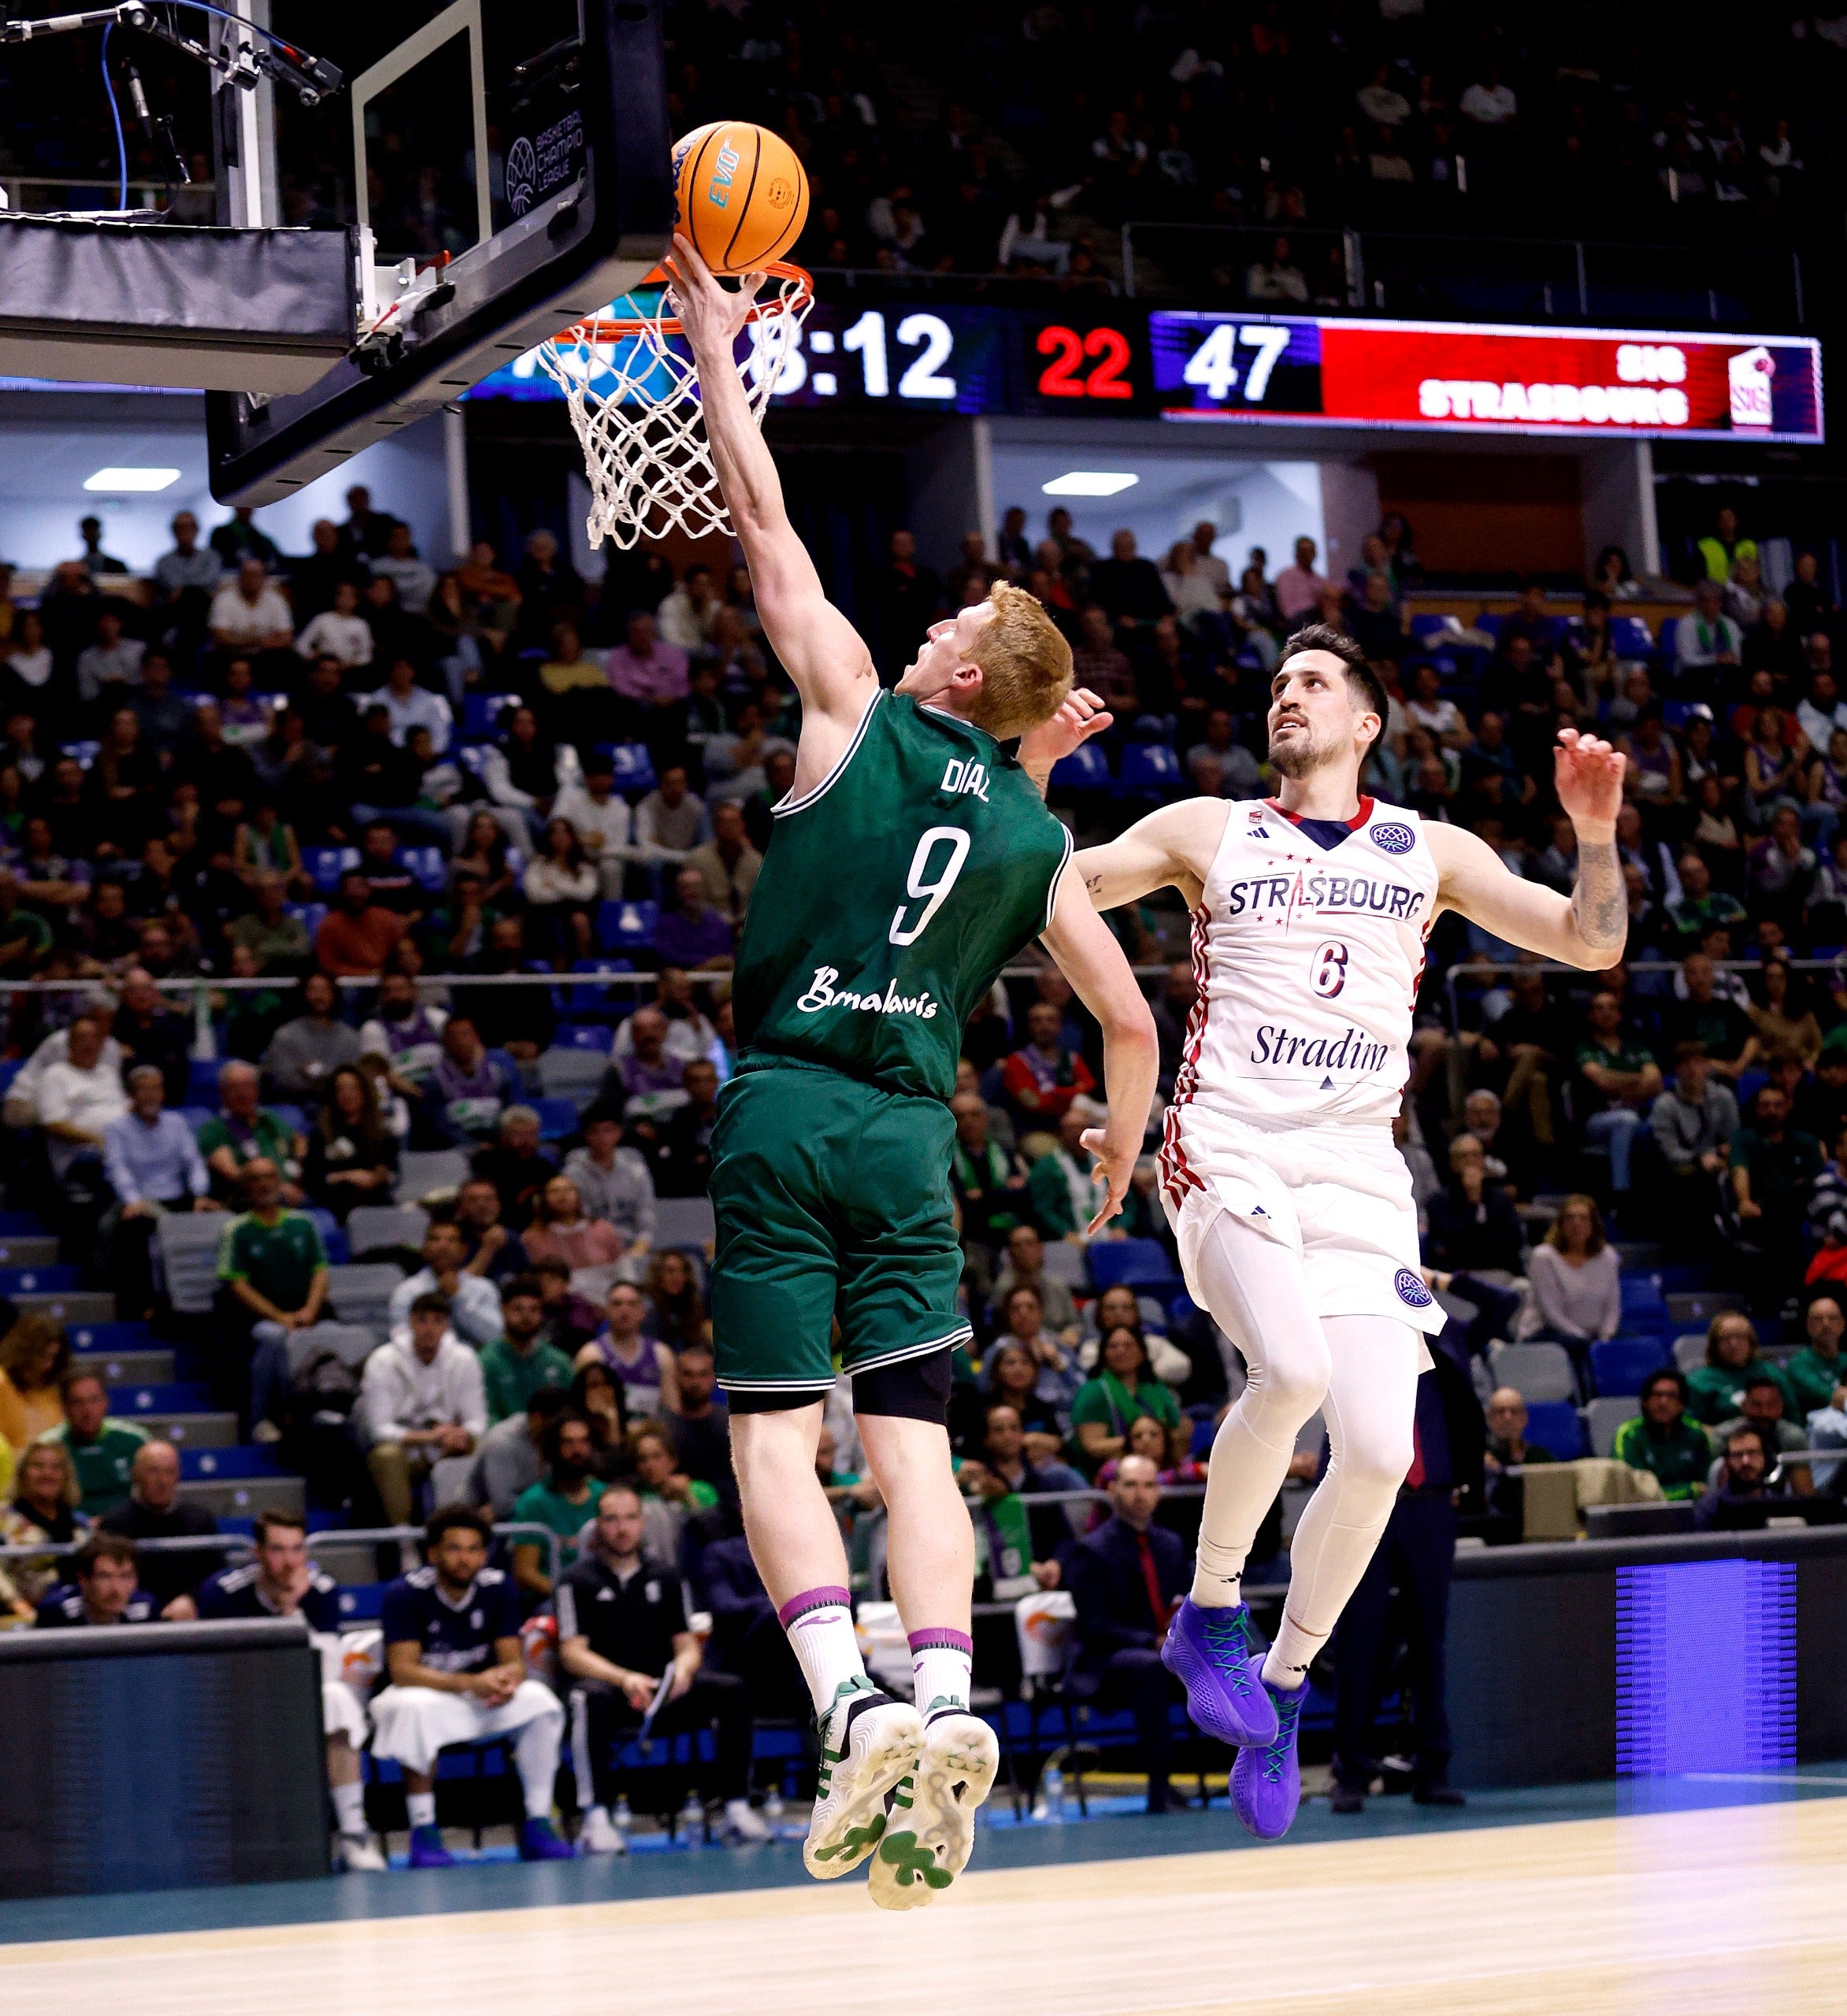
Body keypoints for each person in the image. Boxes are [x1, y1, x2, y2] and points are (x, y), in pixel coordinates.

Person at [663, 232, 1158, 1905]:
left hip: (788, 1102)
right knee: (919, 1456)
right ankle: (948, 1690)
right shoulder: (1035, 835)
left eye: (952, 618)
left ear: (946, 672)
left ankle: (848, 1701)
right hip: (909, 1135)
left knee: (769, 1448)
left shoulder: (855, 705)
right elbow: (1128, 1018)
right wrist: (1111, 1143)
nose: (934, 618)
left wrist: (716, 350)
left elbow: (759, 515)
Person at [1066, 620, 1628, 1840]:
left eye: (1312, 682)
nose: (1287, 695)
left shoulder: (1426, 852)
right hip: (1227, 1143)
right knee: (1295, 1370)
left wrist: (1593, 832)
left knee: (1379, 1452)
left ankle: (1281, 1681)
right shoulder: (1207, 830)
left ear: (1366, 722)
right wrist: (1037, 775)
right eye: (1276, 682)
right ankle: (1208, 1610)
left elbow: (1593, 944)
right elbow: (1060, 887)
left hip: (1359, 1175)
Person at [170, 1507, 385, 1868]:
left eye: (297, 1550)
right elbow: (212, 1669)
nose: (289, 1562)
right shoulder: (223, 1593)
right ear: (257, 1553)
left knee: (337, 1698)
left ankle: (353, 1835)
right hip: (238, 1702)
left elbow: (328, 1672)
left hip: (299, 1702)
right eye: (277, 1550)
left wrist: (289, 1611)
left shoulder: (320, 1592)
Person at [559, 1482, 770, 1851]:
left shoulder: (667, 1576)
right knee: (586, 1699)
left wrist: (683, 1672)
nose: (622, 1528)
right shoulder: (576, 1581)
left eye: (629, 1518)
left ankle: (736, 1806)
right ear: (597, 1526)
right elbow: (572, 1652)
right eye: (611, 1520)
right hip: (612, 1691)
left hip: (662, 1690)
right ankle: (596, 1817)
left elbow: (687, 1645)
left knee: (731, 1690)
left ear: (642, 1523)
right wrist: (623, 1678)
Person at [369, 1504, 572, 1866]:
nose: (465, 1559)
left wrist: (508, 1681)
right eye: (454, 1548)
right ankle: (424, 1833)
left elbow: (514, 1660)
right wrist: (470, 1682)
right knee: (414, 1707)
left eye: (474, 1549)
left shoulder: (498, 1588)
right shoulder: (404, 1593)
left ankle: (539, 1822)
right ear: (432, 1554)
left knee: (539, 1700)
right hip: (423, 1696)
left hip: (480, 1698)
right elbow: (402, 1670)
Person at [1328, 1347, 1482, 1813]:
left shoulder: (1439, 1344)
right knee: (1360, 1641)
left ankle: (1432, 1770)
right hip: (1365, 1502)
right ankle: (1350, 1773)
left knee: (1429, 1643)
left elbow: (1499, 1310)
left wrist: (1439, 1291)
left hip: (1430, 1506)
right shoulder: (1354, 1345)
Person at [1064, 1455, 1191, 1812]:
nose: (1140, 1494)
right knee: (1149, 1666)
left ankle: (1254, 1774)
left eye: (1149, 1485)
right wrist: (1151, 1641)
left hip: (1165, 1653)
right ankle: (1159, 1787)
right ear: (1111, 1490)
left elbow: (1186, 1602)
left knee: (1231, 1656)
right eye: (1131, 1485)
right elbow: (1094, 1626)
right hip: (1106, 1663)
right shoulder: (1090, 1550)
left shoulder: (1172, 1545)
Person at [213, 1158, 330, 1436]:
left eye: (269, 1177)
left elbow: (320, 1272)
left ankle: (324, 1415)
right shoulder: (237, 1230)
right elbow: (237, 1285)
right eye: (255, 1179)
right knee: (273, 1337)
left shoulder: (304, 1223)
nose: (264, 1184)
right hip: (255, 1317)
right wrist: (280, 1317)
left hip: (304, 1310)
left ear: (279, 1183)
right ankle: (261, 1418)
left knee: (336, 1333)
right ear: (245, 1188)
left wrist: (310, 1311)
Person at [360, 1293, 488, 1540]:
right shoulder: (382, 1361)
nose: (429, 1329)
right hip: (407, 1450)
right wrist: (429, 1437)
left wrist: (463, 1434)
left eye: (438, 1321)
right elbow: (378, 1429)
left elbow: (478, 1421)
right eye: (422, 1320)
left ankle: (470, 1537)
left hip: (447, 1444)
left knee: (483, 1446)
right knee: (386, 1455)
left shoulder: (464, 1359)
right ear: (410, 1323)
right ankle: (404, 1542)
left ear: (447, 1326)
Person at [95, 1440, 222, 1608]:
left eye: (169, 1472)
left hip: (189, 1616)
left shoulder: (200, 1520)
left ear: (178, 1475)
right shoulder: (114, 1523)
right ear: (135, 1475)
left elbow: (216, 1576)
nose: (162, 1481)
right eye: (153, 1471)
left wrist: (192, 1600)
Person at [510, 1410, 599, 1598]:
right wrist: (570, 1597)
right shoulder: (533, 1502)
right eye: (568, 1442)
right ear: (553, 1449)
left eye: (584, 1441)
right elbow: (526, 1573)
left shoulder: (605, 1497)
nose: (577, 1450)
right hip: (551, 1599)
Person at [1070, 1325, 1181, 1475]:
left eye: (1128, 1345)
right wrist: (1139, 1442)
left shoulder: (1155, 1387)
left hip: (1159, 1470)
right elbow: (1092, 1446)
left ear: (1142, 1352)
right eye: (1113, 1346)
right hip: (1106, 1473)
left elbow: (1176, 1427)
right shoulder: (1093, 1392)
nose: (1121, 1351)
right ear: (1103, 1354)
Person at [39, 1366, 146, 1518]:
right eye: (77, 1402)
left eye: (94, 1400)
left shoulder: (135, 1440)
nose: (87, 1411)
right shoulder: (48, 1445)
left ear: (106, 1402)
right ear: (64, 1407)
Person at [197, 1059, 305, 1203]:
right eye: (235, 1088)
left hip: (289, 1196)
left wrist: (299, 1170)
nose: (242, 1093)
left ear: (257, 1090)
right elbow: (232, 1172)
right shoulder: (213, 1129)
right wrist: (275, 1187)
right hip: (247, 1201)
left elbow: (299, 1141)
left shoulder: (268, 1118)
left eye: (248, 1086)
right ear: (222, 1093)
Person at [388, 1219, 503, 1351]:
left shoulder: (483, 1288)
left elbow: (495, 1337)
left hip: (473, 1364)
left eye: (451, 1240)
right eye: (435, 1240)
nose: (442, 1246)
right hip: (422, 1364)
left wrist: (457, 1296)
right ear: (424, 1250)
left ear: (463, 1251)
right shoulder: (407, 1291)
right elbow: (400, 1338)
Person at [302, 1066, 399, 1221]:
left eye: (353, 1088)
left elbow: (393, 1173)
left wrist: (379, 1177)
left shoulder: (383, 1135)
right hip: (334, 1207)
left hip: (376, 1204)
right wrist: (346, 1176)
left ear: (364, 1092)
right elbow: (312, 1179)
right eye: (341, 1089)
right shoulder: (320, 1134)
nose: (347, 1095)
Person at [1526, 1193, 1621, 1350]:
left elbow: (1612, 1306)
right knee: (1580, 1348)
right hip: (1549, 1333)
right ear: (1561, 1224)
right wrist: (1584, 1339)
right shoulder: (1544, 1257)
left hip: (1594, 1335)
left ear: (1593, 1224)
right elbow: (1551, 1313)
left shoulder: (1608, 1256)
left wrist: (1606, 1336)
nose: (1576, 1223)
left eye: (1583, 1218)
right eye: (1570, 1218)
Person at [2, 1440, 90, 1606]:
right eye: (38, 1466)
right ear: (22, 1474)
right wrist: (16, 1604)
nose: (47, 1474)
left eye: (56, 1467)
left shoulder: (80, 1523)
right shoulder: (4, 1520)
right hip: (22, 1614)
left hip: (79, 1610)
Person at [479, 1277, 576, 1424]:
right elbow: (485, 1417)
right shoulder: (486, 1362)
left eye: (534, 1309)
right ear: (503, 1310)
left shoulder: (559, 1361)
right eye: (518, 1309)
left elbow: (572, 1412)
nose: (526, 1316)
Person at [574, 1280, 678, 1417]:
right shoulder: (591, 1355)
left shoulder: (662, 1354)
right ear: (606, 1311)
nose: (625, 1310)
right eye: (617, 1304)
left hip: (651, 1433)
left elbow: (673, 1409)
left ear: (642, 1312)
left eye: (632, 1304)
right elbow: (581, 1411)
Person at [1612, 1370, 1715, 1501]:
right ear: (1645, 1402)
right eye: (1657, 1395)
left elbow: (1706, 1485)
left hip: (1694, 1511)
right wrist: (1689, 1491)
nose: (1663, 1402)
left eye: (1672, 1396)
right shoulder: (1629, 1434)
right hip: (1644, 1512)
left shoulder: (1696, 1433)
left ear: (1682, 1404)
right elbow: (1630, 1491)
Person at [262, 971, 364, 1101]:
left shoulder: (349, 1038)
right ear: (304, 994)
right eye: (313, 990)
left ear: (334, 994)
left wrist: (315, 1075)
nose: (319, 996)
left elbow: (352, 1078)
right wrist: (323, 1080)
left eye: (325, 990)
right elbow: (281, 1079)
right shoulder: (285, 1035)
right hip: (295, 1102)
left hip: (338, 1104)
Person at [35, 1532, 158, 1628]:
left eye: (125, 1577)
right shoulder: (56, 1611)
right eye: (104, 1577)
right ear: (83, 1580)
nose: (116, 1589)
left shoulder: (146, 1608)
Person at [1693, 1425, 1790, 1532]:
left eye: (1752, 1453)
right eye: (1737, 1455)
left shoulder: (1779, 1506)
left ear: (1765, 1458)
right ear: (1727, 1462)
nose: (1745, 1461)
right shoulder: (1707, 1509)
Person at [0, 1314, 68, 1454]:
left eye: (53, 1358)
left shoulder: (52, 1391)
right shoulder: (2, 1384)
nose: (49, 1365)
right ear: (23, 1353)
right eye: (43, 1357)